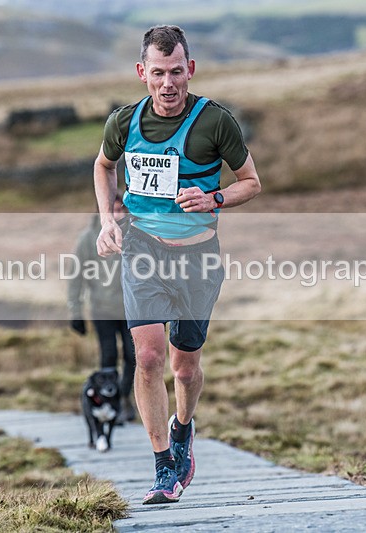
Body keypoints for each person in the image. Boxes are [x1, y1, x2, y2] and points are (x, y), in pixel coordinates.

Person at [93, 25, 261, 504]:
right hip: (143, 249)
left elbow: (251, 182)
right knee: (147, 357)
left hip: (198, 257)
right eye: (158, 74)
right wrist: (109, 221)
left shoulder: (216, 122)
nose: (168, 84)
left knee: (184, 368)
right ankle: (164, 466)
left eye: (177, 73)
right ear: (142, 73)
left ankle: (183, 428)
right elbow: (103, 165)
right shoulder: (123, 122)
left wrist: (213, 196)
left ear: (190, 70)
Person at [67, 194, 136, 424]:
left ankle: (124, 397)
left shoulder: (135, 235)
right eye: (113, 208)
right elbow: (75, 277)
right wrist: (75, 312)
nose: (118, 213)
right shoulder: (88, 239)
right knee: (108, 356)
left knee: (133, 355)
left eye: (121, 208)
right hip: (102, 310)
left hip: (132, 309)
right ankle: (108, 401)